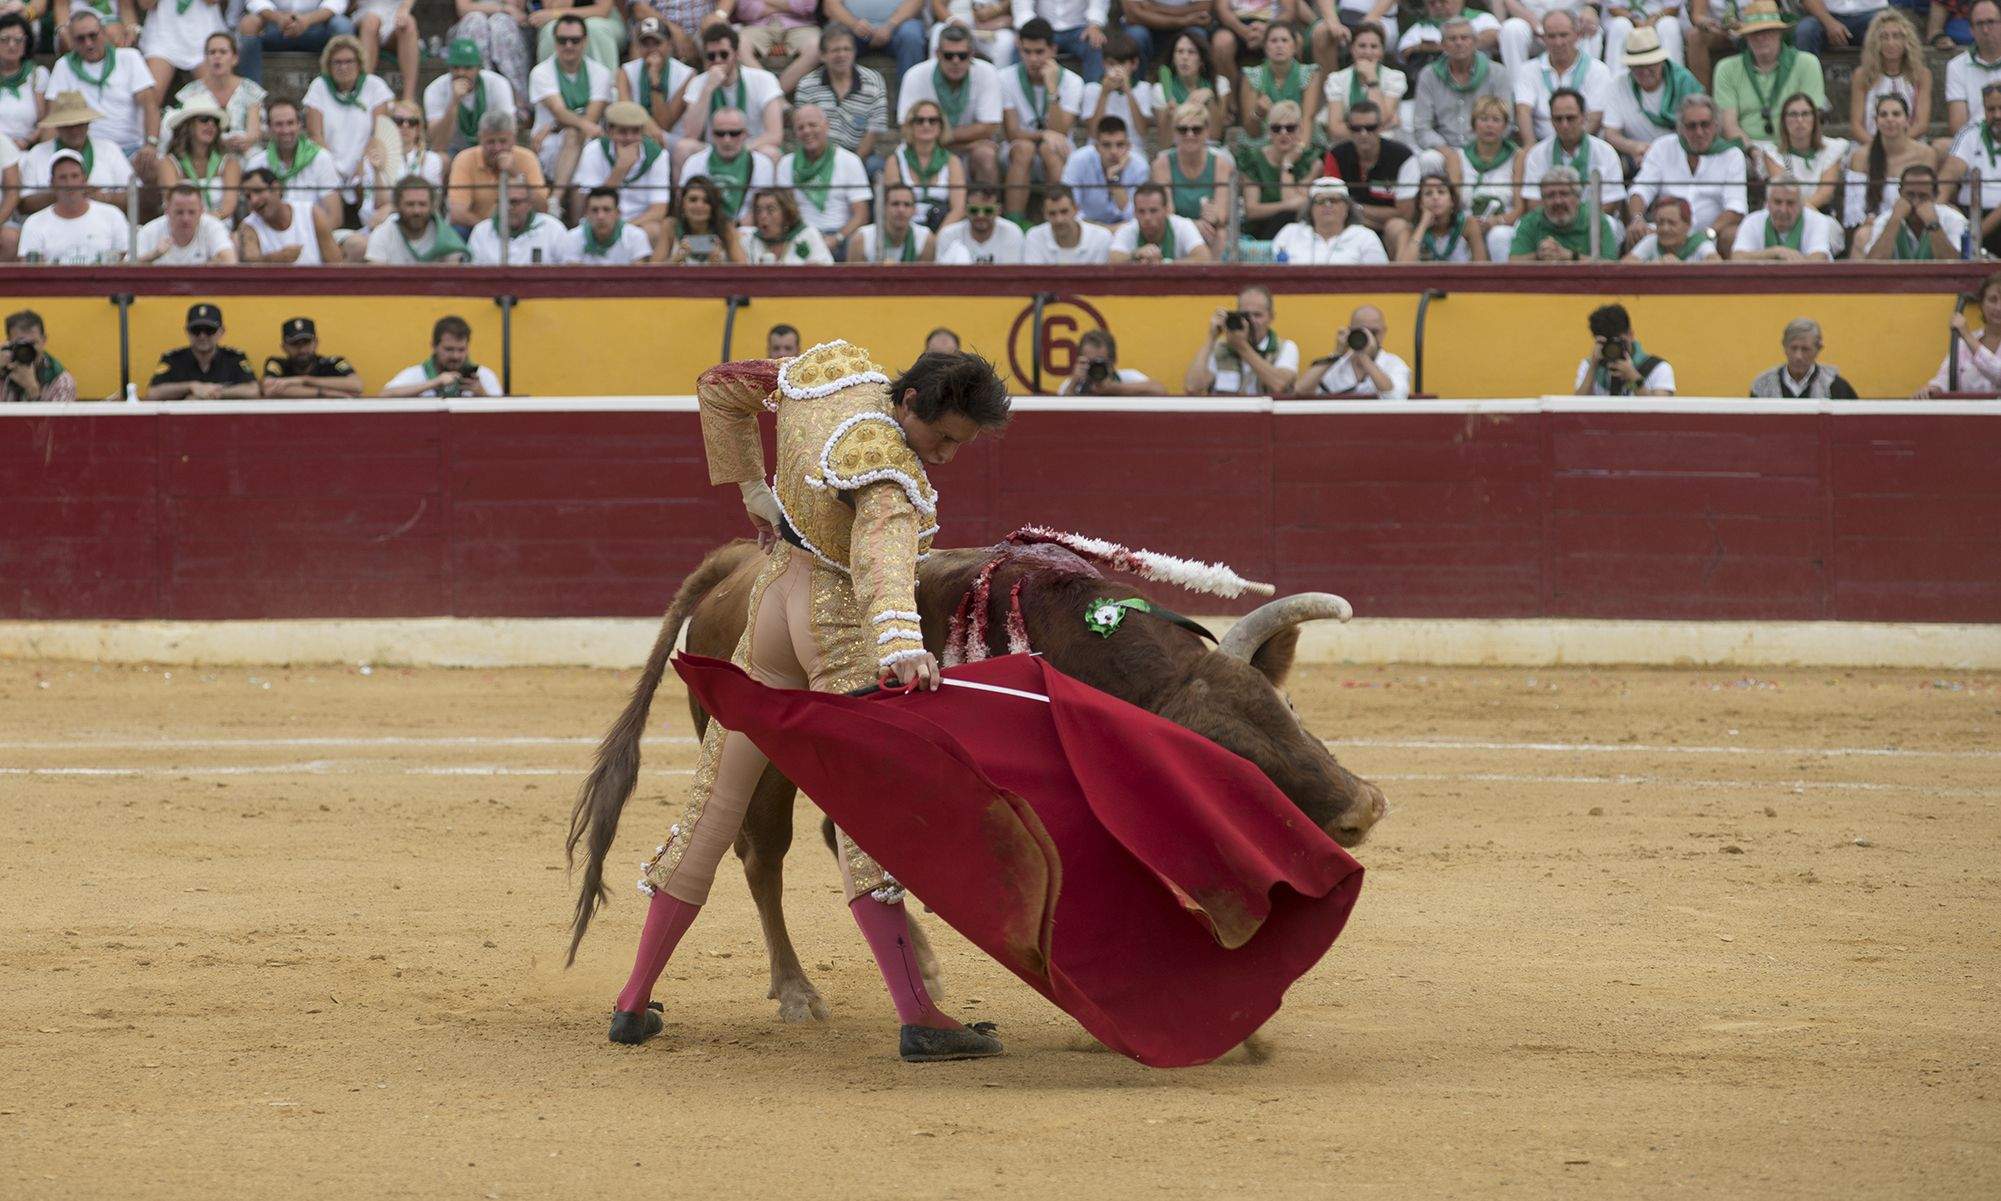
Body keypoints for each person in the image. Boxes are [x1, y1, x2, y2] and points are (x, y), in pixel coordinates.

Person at [608, 340, 1014, 1063]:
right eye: (943, 437)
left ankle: (633, 1000)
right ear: (911, 402)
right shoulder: (887, 473)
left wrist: (751, 490)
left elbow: (720, 386)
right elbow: (882, 564)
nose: (946, 456)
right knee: (865, 815)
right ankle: (919, 1014)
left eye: (963, 445)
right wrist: (898, 647)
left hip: (772, 594)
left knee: (714, 802)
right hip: (831, 623)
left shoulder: (830, 377)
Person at [1629, 94, 1748, 251]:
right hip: (1664, 230)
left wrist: (1708, 233)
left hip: (1711, 234)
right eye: (1691, 126)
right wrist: (1637, 219)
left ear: (1716, 126)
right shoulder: (1662, 147)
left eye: (1705, 125)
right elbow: (1641, 189)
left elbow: (1736, 206)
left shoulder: (1732, 155)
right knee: (1635, 232)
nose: (1699, 132)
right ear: (1681, 128)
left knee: (1732, 235)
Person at [895, 24, 1003, 185]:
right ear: (937, 54)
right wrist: (962, 142)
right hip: (927, 149)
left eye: (962, 55)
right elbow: (907, 127)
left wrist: (935, 134)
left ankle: (984, 208)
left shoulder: (987, 72)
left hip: (965, 150)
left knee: (986, 154)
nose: (955, 61)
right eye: (948, 55)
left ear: (972, 54)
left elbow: (990, 126)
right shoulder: (915, 75)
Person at [44, 10, 157, 158]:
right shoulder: (64, 66)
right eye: (80, 39)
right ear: (72, 40)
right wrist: (48, 157)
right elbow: (54, 115)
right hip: (85, 151)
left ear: (103, 33)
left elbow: (150, 105)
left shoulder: (129, 58)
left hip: (130, 148)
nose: (88, 43)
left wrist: (151, 144)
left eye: (93, 35)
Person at [1001, 18, 1083, 219]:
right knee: (1024, 148)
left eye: (1039, 52)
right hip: (1016, 153)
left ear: (1053, 50)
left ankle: (1059, 219)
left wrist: (1052, 89)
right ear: (1019, 50)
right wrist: (1044, 133)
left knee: (1050, 149)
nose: (1033, 59)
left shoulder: (1073, 82)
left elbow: (1061, 132)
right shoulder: (1005, 77)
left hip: (1059, 152)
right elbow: (1012, 133)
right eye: (1026, 52)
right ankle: (1015, 222)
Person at [1714, 1, 1826, 145]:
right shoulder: (1726, 68)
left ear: (1780, 33)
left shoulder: (1807, 63)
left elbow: (1809, 120)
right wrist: (1751, 151)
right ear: (1746, 37)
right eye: (1754, 33)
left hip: (1793, 146)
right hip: (1746, 148)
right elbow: (1729, 126)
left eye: (1767, 31)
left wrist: (1781, 156)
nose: (1761, 38)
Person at [527, 13, 612, 195]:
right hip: (549, 143)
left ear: (585, 41)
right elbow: (559, 111)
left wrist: (554, 126)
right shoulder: (541, 72)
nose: (568, 46)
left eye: (575, 40)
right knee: (575, 136)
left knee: (577, 138)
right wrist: (561, 125)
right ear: (554, 41)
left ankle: (555, 200)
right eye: (562, 40)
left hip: (586, 139)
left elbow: (592, 116)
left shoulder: (600, 73)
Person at [675, 22, 786, 161]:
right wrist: (708, 89)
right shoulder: (699, 83)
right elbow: (691, 134)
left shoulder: (763, 79)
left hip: (751, 148)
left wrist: (739, 149)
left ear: (737, 54)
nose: (718, 60)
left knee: (772, 153)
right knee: (683, 148)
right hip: (714, 150)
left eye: (723, 54)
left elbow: (775, 135)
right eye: (711, 56)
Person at [18, 91, 134, 217]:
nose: (74, 130)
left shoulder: (109, 150)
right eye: (68, 125)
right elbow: (24, 204)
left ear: (88, 123)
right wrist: (63, 193)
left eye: (79, 124)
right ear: (57, 126)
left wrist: (104, 198)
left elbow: (133, 194)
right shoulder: (37, 154)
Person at [303, 34, 396, 187]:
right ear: (329, 65)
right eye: (337, 62)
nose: (343, 67)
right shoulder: (318, 86)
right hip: (328, 165)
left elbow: (378, 133)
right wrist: (332, 170)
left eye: (349, 61)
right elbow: (315, 135)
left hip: (366, 164)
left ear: (359, 64)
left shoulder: (375, 85)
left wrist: (361, 168)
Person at [777, 103, 870, 254]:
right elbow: (784, 211)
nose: (807, 131)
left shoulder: (849, 161)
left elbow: (861, 215)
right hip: (799, 234)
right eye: (800, 127)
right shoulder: (786, 164)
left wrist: (836, 238)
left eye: (813, 125)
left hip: (839, 237)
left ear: (827, 126)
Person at [570, 99, 672, 238]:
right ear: (610, 131)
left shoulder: (658, 156)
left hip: (639, 222)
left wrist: (624, 229)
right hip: (601, 219)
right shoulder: (594, 150)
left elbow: (658, 210)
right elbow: (591, 202)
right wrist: (620, 169)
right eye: (623, 132)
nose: (629, 138)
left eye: (635, 131)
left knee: (655, 231)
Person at [1520, 87, 1626, 219]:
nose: (1564, 125)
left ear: (1583, 117)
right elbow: (1533, 201)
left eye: (1570, 118)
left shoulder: (1605, 152)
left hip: (1594, 222)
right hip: (1551, 222)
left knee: (1610, 224)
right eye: (1558, 119)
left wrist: (1579, 224)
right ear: (1551, 121)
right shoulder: (1537, 153)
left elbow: (1611, 202)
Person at [1412, 17, 1513, 153]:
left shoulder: (1497, 72)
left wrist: (1480, 149)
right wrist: (1445, 151)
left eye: (1464, 38)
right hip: (1444, 148)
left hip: (1486, 148)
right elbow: (1422, 126)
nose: (1459, 43)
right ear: (1442, 45)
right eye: (1452, 39)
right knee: (1428, 160)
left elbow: (1508, 120)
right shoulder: (1429, 75)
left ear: (1475, 42)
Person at [792, 24, 889, 165]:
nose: (842, 55)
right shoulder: (807, 84)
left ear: (854, 52)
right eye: (835, 50)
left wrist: (852, 164)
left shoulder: (873, 81)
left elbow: (875, 128)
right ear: (823, 55)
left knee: (876, 165)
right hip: (818, 156)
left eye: (846, 49)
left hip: (859, 156)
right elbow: (804, 129)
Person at [1602, 25, 1702, 161]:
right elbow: (1611, 133)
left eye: (1650, 64)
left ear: (1661, 61)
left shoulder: (1684, 82)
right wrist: (1634, 147)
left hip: (1681, 154)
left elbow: (1700, 127)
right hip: (1638, 156)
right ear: (1629, 66)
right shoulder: (1618, 84)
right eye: (1638, 66)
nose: (1644, 71)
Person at [18, 148, 131, 263]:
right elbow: (30, 270)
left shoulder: (112, 215)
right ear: (52, 183)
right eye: (63, 177)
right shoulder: (35, 223)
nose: (69, 183)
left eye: (74, 176)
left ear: (84, 180)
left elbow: (126, 259)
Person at [1844, 93, 1939, 230]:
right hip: (1874, 225)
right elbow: (1854, 209)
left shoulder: (1926, 154)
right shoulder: (1860, 156)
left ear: (1907, 120)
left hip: (1914, 224)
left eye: (1896, 114)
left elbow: (1928, 198)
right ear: (1876, 120)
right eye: (1883, 115)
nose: (1890, 119)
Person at [1513, 9, 1609, 143]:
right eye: (1551, 36)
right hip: (1540, 145)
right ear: (1543, 38)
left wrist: (1572, 147)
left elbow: (1596, 117)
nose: (1558, 42)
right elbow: (1523, 112)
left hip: (1584, 145)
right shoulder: (1528, 70)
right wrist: (1531, 147)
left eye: (1564, 35)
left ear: (1577, 35)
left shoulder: (1598, 70)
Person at [1320, 100, 1416, 235]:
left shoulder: (1403, 157)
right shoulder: (1336, 155)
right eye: (1356, 129)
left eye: (1370, 128)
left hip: (1387, 229)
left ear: (1380, 128)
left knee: (1397, 226)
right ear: (1349, 128)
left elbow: (1405, 214)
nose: (1363, 134)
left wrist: (1356, 208)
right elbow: (1331, 201)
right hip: (1346, 227)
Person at [1151, 100, 1234, 254]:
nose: (1190, 135)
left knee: (1220, 234)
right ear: (1174, 133)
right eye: (1183, 130)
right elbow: (1167, 214)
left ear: (1207, 131)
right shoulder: (1161, 165)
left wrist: (1213, 217)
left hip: (1210, 231)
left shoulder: (1221, 164)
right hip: (1175, 231)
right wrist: (1194, 226)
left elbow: (1222, 214)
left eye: (1196, 129)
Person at [1186, 284, 1299, 396]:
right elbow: (1192, 387)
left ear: (1271, 317)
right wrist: (1211, 338)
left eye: (1257, 315)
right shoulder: (1220, 348)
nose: (1251, 321)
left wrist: (1242, 347)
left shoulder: (1285, 347)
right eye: (1246, 315)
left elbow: (1280, 384)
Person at [448, 109, 549, 230]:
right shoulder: (465, 159)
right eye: (490, 142)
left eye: (503, 141)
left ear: (514, 139)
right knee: (457, 230)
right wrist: (490, 231)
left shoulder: (527, 158)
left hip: (521, 228)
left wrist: (515, 173)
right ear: (480, 139)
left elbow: (542, 207)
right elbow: (457, 213)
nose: (497, 148)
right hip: (478, 227)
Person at [1235, 98, 1319, 239]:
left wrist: (1287, 164)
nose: (1283, 133)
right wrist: (1287, 206)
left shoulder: (1311, 162)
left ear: (1300, 130)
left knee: (1288, 218)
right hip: (1261, 230)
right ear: (1269, 132)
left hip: (1299, 229)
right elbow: (1252, 210)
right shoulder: (1253, 159)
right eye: (1276, 128)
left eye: (1290, 128)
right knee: (1285, 215)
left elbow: (1296, 209)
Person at [244, 97, 347, 211]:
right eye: (279, 124)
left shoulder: (321, 158)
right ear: (269, 128)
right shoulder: (256, 163)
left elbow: (334, 216)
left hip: (314, 228)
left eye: (290, 123)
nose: (286, 130)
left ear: (299, 124)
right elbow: (253, 214)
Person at [676, 106, 774, 225]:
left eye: (734, 133)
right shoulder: (694, 162)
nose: (727, 140)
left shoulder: (762, 164)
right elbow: (684, 203)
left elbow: (760, 208)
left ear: (745, 134)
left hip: (745, 230)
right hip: (702, 227)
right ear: (712, 134)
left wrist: (731, 232)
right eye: (720, 133)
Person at [1757, 91, 1848, 216]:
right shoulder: (1773, 153)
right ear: (1784, 120)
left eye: (1805, 114)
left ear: (1814, 119)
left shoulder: (1832, 149)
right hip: (1782, 214)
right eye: (1793, 114)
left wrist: (1808, 215)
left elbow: (1825, 193)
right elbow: (1784, 192)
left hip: (1820, 213)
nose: (1799, 120)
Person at [425, 36, 518, 157]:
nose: (461, 73)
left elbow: (509, 131)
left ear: (479, 68)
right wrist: (454, 103)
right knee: (439, 158)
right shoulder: (434, 89)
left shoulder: (498, 84)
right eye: (455, 67)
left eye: (468, 68)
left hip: (490, 148)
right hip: (453, 149)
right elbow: (438, 144)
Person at [175, 30, 265, 155]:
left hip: (242, 152)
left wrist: (244, 140)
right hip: (204, 153)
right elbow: (185, 131)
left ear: (234, 58)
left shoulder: (250, 89)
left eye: (223, 52)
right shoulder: (191, 92)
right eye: (212, 52)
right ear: (206, 59)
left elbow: (254, 132)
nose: (217, 56)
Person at [883, 98, 968, 230]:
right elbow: (892, 205)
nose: (926, 125)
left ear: (941, 126)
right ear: (911, 125)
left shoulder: (952, 162)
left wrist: (938, 238)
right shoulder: (895, 161)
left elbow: (958, 209)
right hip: (905, 229)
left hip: (942, 228)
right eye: (920, 120)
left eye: (932, 120)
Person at [145, 302, 259, 401]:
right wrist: (191, 386)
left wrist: (217, 392)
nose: (202, 336)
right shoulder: (173, 359)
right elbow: (153, 393)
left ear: (221, 332)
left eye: (209, 330)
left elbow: (253, 390)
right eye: (196, 330)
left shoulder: (234, 358)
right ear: (187, 332)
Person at [1849, 8, 1930, 140]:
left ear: (1907, 41)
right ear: (1875, 42)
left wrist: (1898, 146)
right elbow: (1856, 126)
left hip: (1910, 143)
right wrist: (1878, 148)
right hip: (1870, 143)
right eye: (1884, 37)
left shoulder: (1922, 74)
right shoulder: (1862, 75)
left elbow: (1922, 124)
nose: (1890, 43)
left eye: (1896, 36)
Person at [1510, 164, 1621, 260]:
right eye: (1550, 195)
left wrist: (1570, 256)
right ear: (1542, 200)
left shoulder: (1596, 219)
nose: (1558, 201)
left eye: (1564, 194)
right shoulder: (1531, 221)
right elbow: (1512, 263)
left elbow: (1610, 265)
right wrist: (1538, 256)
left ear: (1578, 197)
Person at [1855, 163, 1967, 259]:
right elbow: (1873, 265)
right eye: (1910, 195)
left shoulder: (1953, 220)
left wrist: (1933, 224)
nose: (1915, 202)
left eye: (1923, 196)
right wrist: (1895, 221)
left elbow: (1957, 264)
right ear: (1900, 192)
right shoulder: (1886, 220)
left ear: (1935, 195)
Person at [1298, 304, 1410, 398]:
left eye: (1374, 332)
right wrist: (1337, 354)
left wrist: (1364, 357)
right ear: (1350, 331)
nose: (1368, 336)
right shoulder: (1336, 364)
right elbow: (1300, 391)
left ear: (1383, 332)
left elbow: (1395, 396)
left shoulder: (1394, 363)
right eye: (1361, 331)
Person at [1917, 271, 2001, 396]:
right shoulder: (1963, 346)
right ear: (1981, 304)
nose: (1999, 307)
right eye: (1992, 300)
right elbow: (1946, 377)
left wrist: (1967, 336)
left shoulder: (1968, 339)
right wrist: (1933, 388)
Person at [235, 0, 356, 85]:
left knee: (343, 26)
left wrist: (307, 20)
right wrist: (279, 18)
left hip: (317, 25)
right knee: (249, 23)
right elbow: (255, 1)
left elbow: (336, 3)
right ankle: (252, 98)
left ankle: (344, 90)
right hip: (276, 26)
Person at [155, 98, 239, 220]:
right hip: (181, 226)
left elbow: (229, 207)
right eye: (204, 119)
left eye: (215, 121)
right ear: (187, 125)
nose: (211, 124)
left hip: (220, 227)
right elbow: (173, 203)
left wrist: (208, 223)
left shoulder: (230, 163)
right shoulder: (168, 163)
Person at [235, 167, 340, 264]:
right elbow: (251, 267)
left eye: (258, 191)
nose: (254, 200)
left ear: (276, 188)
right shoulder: (248, 226)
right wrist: (278, 258)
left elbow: (335, 264)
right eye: (248, 197)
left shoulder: (311, 213)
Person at [380, 314, 501, 397]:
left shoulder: (483, 375)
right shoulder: (417, 373)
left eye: (461, 350)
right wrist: (434, 383)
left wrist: (481, 393)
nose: (456, 356)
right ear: (434, 346)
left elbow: (503, 413)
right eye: (449, 349)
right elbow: (384, 395)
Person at [1273, 175, 1389, 261]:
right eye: (1321, 201)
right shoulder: (1290, 233)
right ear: (1310, 208)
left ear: (1347, 207)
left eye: (1334, 200)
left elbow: (1380, 279)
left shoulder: (1365, 237)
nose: (1327, 205)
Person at [1944, 82, 2001, 255]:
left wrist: (1976, 234)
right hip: (1970, 215)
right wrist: (1942, 209)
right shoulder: (1969, 134)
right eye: (1991, 109)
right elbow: (1946, 180)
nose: (1997, 115)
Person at [1321, 21, 1402, 142]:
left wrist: (1372, 79)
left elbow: (1381, 118)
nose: (1368, 52)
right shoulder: (1336, 79)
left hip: (1383, 147)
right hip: (1345, 145)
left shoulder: (1395, 77)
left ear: (1382, 51)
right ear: (1352, 49)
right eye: (1362, 46)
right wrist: (1377, 129)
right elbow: (1335, 129)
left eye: (1374, 47)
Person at [1061, 114, 1148, 226]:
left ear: (1128, 146)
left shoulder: (1139, 165)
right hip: (1087, 229)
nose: (1113, 151)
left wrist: (1114, 180)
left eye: (1120, 145)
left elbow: (1136, 215)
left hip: (1124, 228)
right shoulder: (1078, 161)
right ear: (1096, 147)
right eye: (1107, 145)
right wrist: (1102, 229)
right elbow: (1070, 209)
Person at [1242, 20, 1321, 137]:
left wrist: (1299, 149)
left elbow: (1307, 119)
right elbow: (1251, 133)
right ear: (1265, 47)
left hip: (1300, 138)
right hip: (1265, 142)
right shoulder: (1251, 75)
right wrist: (1257, 114)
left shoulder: (1310, 73)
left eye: (1284, 40)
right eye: (1273, 41)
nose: (1279, 45)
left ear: (1294, 46)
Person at [1575, 303, 1674, 397]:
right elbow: (1576, 408)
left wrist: (1633, 378)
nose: (1613, 349)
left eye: (1619, 342)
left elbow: (1660, 410)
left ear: (1630, 335)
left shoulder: (1658, 369)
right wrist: (1593, 366)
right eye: (1607, 343)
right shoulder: (1588, 366)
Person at [1149, 28, 1228, 144]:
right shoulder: (1160, 90)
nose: (1184, 57)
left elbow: (1216, 135)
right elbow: (1164, 144)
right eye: (1179, 52)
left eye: (1191, 52)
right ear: (1173, 59)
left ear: (1201, 61)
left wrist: (1210, 100)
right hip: (1177, 149)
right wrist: (1169, 116)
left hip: (1210, 147)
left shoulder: (1219, 84)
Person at [618, 17, 693, 138]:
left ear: (669, 44)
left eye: (657, 43)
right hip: (636, 136)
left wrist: (654, 80)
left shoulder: (687, 75)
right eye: (645, 44)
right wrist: (649, 127)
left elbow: (664, 125)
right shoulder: (626, 71)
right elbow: (627, 113)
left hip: (672, 140)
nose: (651, 49)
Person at [1731, 176, 1840, 259]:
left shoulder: (1817, 221)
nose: (1783, 210)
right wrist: (1775, 252)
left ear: (1801, 204)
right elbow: (1736, 257)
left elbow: (1819, 259)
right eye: (1777, 202)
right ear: (1767, 203)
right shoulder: (1752, 221)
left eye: (1790, 203)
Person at [137, 0, 226, 101]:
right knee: (150, 99)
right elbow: (145, 4)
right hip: (162, 34)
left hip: (204, 34)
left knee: (216, 99)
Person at [1749, 317, 1858, 398]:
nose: (1798, 356)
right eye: (1793, 348)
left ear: (1818, 349)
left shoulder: (1835, 387)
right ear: (1784, 347)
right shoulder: (1763, 385)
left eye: (1805, 349)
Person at [1393, 171, 1490, 260]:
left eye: (1441, 192)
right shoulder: (1409, 231)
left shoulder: (1468, 225)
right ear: (1420, 203)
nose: (1435, 197)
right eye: (1428, 193)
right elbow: (1402, 269)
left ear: (1452, 200)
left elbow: (1482, 266)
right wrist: (1422, 226)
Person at [261, 315, 363, 398]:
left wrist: (304, 380)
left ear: (316, 343)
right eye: (294, 344)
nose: (301, 349)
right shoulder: (278, 364)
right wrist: (323, 393)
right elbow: (269, 389)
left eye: (306, 342)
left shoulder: (332, 363)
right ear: (284, 347)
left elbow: (357, 386)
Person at [466, 179, 567, 262]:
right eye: (503, 201)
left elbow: (567, 269)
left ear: (529, 204)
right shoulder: (481, 231)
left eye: (515, 202)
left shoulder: (552, 228)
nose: (508, 207)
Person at [731, 0, 821, 93]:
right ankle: (772, 94)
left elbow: (806, 6)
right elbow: (747, 9)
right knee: (738, 44)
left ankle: (774, 94)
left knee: (817, 46)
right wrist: (787, 5)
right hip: (757, 26)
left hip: (801, 25)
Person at [824, 0, 930, 78]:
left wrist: (891, 25)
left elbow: (916, 2)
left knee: (911, 36)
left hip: (898, 26)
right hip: (851, 28)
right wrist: (854, 24)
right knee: (835, 38)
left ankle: (910, 104)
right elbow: (831, 5)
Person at [136, 182, 236, 263]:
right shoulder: (149, 231)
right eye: (179, 212)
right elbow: (126, 268)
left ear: (201, 210)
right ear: (167, 210)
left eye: (192, 212)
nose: (185, 219)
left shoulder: (213, 226)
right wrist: (154, 255)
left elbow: (230, 261)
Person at [1013, 0, 1111, 83]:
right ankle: (1016, 92)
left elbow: (1098, 4)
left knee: (1095, 44)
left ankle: (1092, 95)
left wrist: (1094, 24)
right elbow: (1023, 6)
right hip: (1042, 29)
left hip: (1078, 29)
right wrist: (1026, 29)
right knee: (1023, 45)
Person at [1111, 181, 1212, 261]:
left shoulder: (1183, 225)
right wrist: (1135, 255)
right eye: (1141, 211)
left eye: (1153, 211)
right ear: (1134, 213)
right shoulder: (1128, 229)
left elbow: (1204, 258)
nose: (1147, 217)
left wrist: (1164, 265)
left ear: (1166, 210)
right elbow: (1113, 260)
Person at [1945, 1, 2001, 141]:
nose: (1986, 30)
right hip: (1974, 144)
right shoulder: (1956, 66)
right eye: (1980, 24)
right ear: (1971, 30)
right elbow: (1958, 126)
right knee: (1940, 148)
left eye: (1991, 22)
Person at [558, 184, 655, 262]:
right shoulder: (572, 238)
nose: (600, 216)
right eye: (594, 210)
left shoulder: (636, 236)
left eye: (607, 210)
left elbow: (639, 282)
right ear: (586, 213)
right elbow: (574, 282)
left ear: (618, 213)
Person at [662, 174, 747, 263]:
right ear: (683, 203)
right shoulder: (670, 226)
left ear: (713, 206)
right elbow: (653, 270)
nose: (699, 205)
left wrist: (719, 266)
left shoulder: (725, 227)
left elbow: (744, 271)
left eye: (706, 201)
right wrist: (675, 260)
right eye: (693, 199)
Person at [1079, 32, 1150, 137]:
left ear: (1134, 64)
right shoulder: (1092, 89)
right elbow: (1093, 133)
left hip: (1132, 149)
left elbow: (1143, 132)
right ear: (1103, 64)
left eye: (1122, 64)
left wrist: (1128, 92)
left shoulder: (1143, 88)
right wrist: (1104, 93)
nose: (1117, 69)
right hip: (1098, 149)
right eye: (1111, 64)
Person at [935, 182, 1028, 262]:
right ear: (966, 210)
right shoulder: (949, 235)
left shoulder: (1012, 233)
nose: (980, 215)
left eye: (988, 210)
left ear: (998, 210)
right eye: (974, 210)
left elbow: (1011, 275)